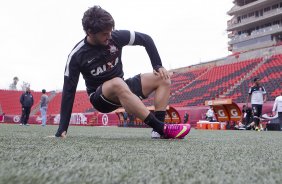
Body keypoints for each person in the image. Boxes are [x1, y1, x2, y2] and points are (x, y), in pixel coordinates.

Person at [54, 5, 191, 139]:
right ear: (90, 32)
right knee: (117, 83)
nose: (109, 36)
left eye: (110, 31)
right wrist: (62, 129)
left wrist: (157, 65)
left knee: (163, 78)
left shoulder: (115, 37)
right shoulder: (77, 55)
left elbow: (146, 39)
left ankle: (158, 133)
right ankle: (162, 128)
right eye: (104, 34)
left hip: (123, 87)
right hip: (100, 98)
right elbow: (68, 91)